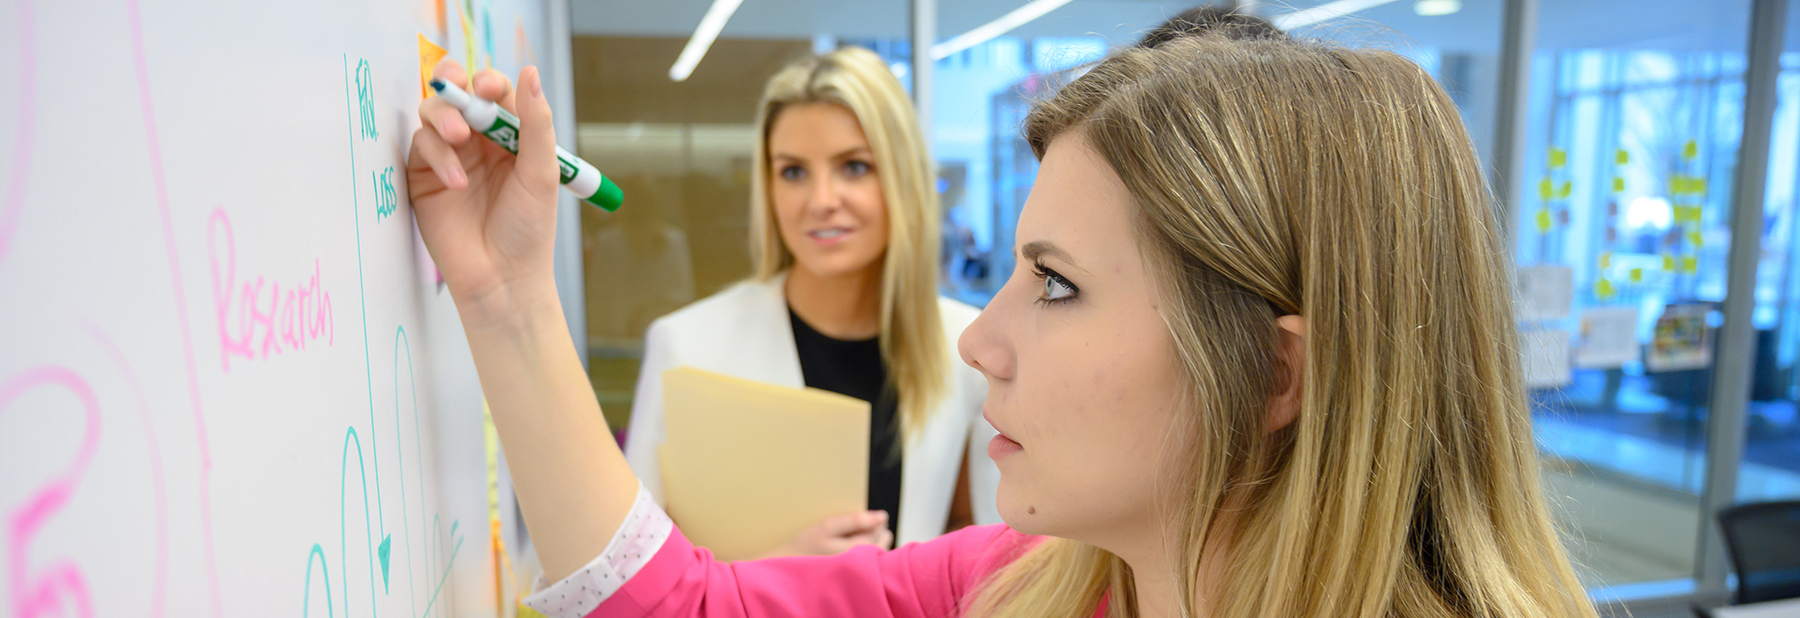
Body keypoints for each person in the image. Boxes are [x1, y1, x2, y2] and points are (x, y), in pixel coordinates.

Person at [406, 34, 1599, 618]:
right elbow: (681, 606)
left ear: (1273, 375)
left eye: (1058, 285)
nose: (980, 344)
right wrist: (504, 299)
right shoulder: (1029, 584)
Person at [619, 46, 1000, 558]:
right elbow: (636, 570)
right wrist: (781, 574)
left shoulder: (968, 349)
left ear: (903, 177)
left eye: (854, 167)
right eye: (793, 172)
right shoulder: (688, 346)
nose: (821, 200)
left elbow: (987, 551)